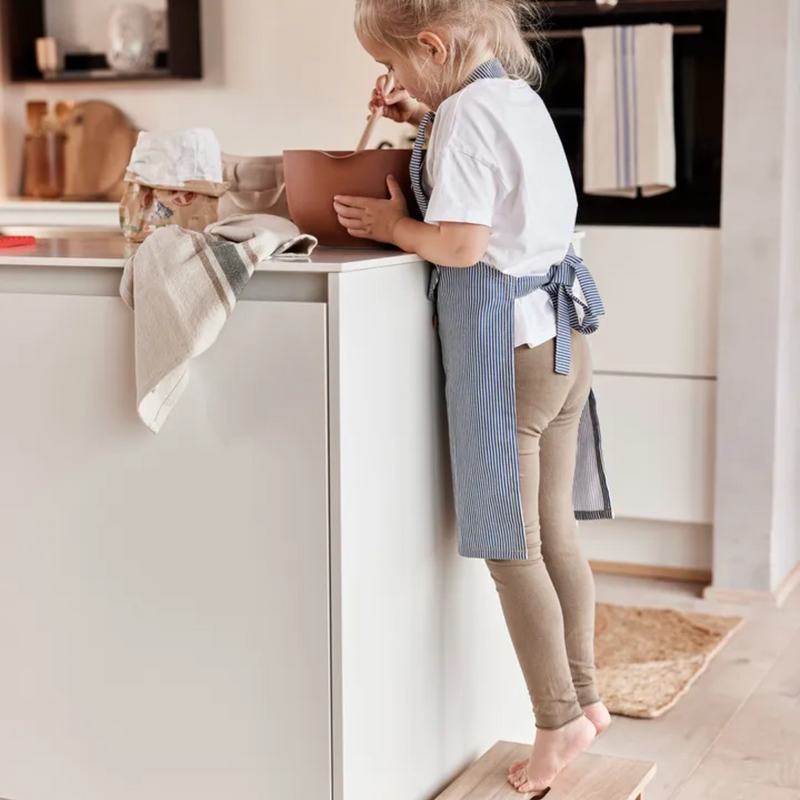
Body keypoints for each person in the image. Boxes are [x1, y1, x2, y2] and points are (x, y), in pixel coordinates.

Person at [333, 0, 614, 794]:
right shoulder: (509, 101)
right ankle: (587, 700)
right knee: (554, 534)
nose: (389, 83)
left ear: (430, 46)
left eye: (393, 67)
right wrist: (419, 111)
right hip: (562, 343)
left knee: (507, 544)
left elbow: (461, 244)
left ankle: (556, 721)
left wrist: (393, 228)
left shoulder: (461, 119)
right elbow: (497, 193)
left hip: (509, 356)